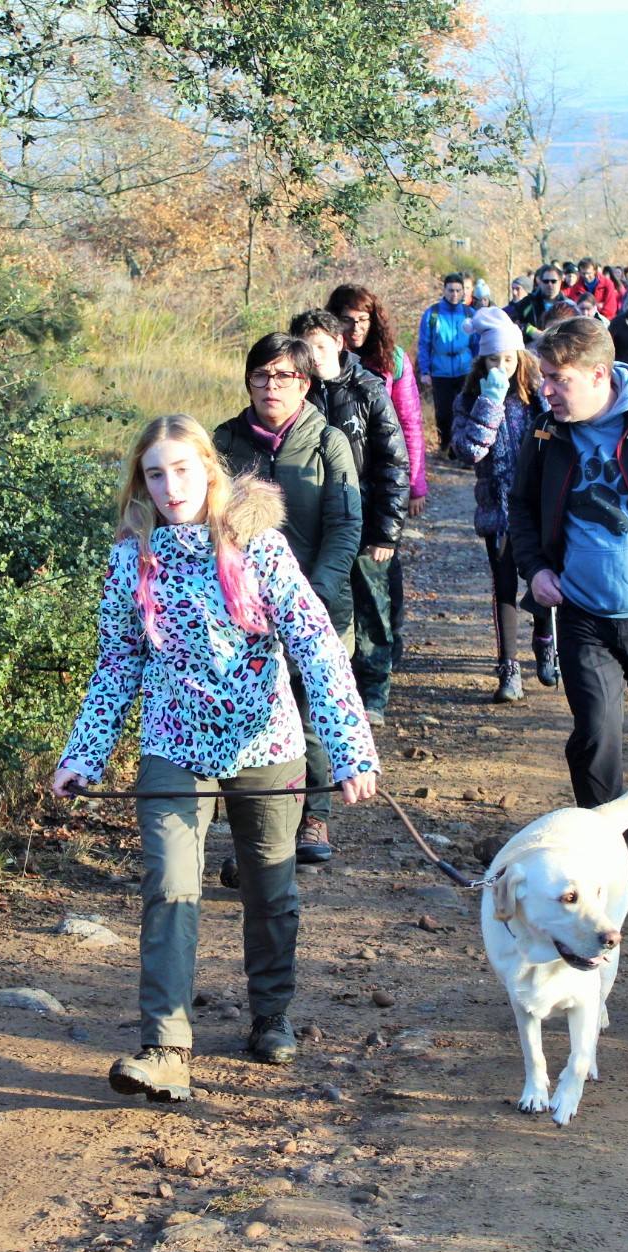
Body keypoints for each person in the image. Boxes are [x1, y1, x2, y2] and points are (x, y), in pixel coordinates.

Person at [53, 415, 381, 1101]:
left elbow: (316, 646)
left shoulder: (257, 544)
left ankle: (271, 1014)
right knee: (169, 885)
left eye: (182, 469)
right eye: (154, 474)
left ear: (208, 468)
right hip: (175, 743)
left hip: (266, 742)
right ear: (140, 483)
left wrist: (349, 751)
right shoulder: (131, 558)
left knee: (270, 887)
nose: (170, 487)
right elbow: (118, 662)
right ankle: (165, 1047)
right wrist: (84, 754)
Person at [506, 317, 628, 875]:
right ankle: (602, 843)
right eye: (544, 377)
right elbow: (521, 507)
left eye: (558, 380)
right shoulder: (546, 432)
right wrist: (536, 569)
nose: (545, 390)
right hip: (582, 614)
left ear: (599, 374)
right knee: (595, 736)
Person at [213, 335, 363, 867]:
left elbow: (346, 525)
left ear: (306, 383)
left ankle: (312, 816)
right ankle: (252, 836)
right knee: (251, 716)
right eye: (262, 375)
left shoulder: (329, 442)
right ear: (248, 380)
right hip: (241, 611)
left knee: (310, 710)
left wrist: (314, 594)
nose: (271, 386)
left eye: (285, 377)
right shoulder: (225, 442)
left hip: (317, 601)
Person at [290, 309, 410, 728]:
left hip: (364, 516)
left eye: (322, 346)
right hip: (310, 521)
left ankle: (374, 692)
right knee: (319, 605)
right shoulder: (293, 391)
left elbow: (394, 461)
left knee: (372, 606)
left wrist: (386, 531)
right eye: (306, 347)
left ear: (340, 344)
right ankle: (324, 692)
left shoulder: (368, 389)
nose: (315, 355)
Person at [450, 307, 556, 703]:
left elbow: (557, 439)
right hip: (496, 510)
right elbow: (469, 451)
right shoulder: (470, 399)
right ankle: (508, 667)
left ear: (520, 357)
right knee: (506, 588)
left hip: (538, 509)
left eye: (508, 359)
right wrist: (489, 403)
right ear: (481, 362)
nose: (502, 367)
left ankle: (545, 639)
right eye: (493, 360)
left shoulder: (538, 395)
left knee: (543, 579)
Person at [327, 283, 426, 682]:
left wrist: (415, 484)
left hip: (384, 479)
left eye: (362, 320)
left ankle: (387, 640)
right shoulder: (323, 359)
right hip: (337, 483)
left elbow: (410, 423)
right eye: (346, 321)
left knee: (383, 561)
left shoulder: (393, 361)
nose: (355, 328)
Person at [416, 273, 476, 458]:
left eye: (459, 290)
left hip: (465, 370)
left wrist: (477, 368)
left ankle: (461, 450)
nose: (455, 294)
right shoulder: (432, 314)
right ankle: (445, 445)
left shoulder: (469, 314)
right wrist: (425, 371)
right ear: (444, 290)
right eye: (451, 290)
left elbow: (476, 343)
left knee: (465, 410)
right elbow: (424, 344)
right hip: (440, 370)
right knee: (443, 412)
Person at [509, 265, 564, 339]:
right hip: (533, 347)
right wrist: (530, 330)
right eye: (546, 281)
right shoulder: (528, 302)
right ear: (540, 282)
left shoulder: (568, 305)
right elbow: (514, 322)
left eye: (553, 281)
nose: (549, 284)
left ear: (560, 282)